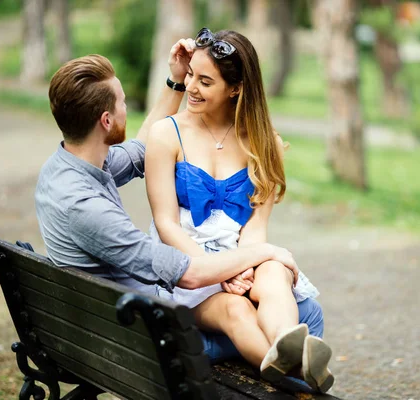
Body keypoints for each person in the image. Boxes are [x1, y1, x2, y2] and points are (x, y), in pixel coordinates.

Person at [34, 41, 324, 370]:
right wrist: (268, 254)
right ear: (106, 121)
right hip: (147, 334)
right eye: (123, 103)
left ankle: (296, 369)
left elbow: (140, 151)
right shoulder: (84, 207)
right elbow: (187, 272)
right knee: (302, 311)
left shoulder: (70, 167)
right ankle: (301, 381)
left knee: (267, 296)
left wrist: (175, 82)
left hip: (115, 319)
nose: (127, 108)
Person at [145, 28, 334, 393]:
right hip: (187, 266)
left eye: (205, 81)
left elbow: (255, 227)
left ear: (235, 89)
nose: (192, 88)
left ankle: (288, 344)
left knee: (276, 272)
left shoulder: (265, 143)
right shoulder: (166, 134)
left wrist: (244, 267)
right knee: (237, 310)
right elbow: (165, 223)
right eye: (190, 76)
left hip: (239, 257)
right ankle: (298, 382)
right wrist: (219, 274)